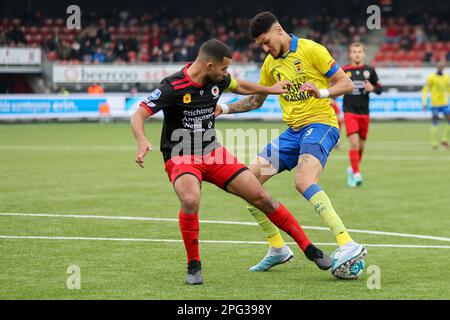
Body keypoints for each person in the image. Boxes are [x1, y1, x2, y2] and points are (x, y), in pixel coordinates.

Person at [131, 39, 333, 285]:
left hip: (213, 151)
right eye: (224, 69)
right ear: (209, 66)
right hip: (181, 153)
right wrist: (142, 141)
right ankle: (194, 265)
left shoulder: (218, 80)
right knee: (191, 199)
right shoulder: (172, 86)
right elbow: (139, 113)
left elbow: (242, 87)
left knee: (262, 197)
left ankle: (309, 249)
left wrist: (270, 89)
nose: (227, 75)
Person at [215, 12, 367, 277]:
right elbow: (256, 100)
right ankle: (277, 248)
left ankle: (346, 242)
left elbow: (345, 83)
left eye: (266, 42)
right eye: (260, 45)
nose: (265, 48)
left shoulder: (311, 50)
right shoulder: (270, 64)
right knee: (247, 184)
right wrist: (224, 108)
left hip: (321, 124)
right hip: (293, 132)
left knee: (303, 181)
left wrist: (320, 92)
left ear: (278, 30)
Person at [342, 42, 382, 187]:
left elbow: (379, 89)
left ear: (363, 54)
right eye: (354, 51)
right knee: (353, 143)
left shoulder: (370, 70)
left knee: (361, 146)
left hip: (364, 113)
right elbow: (334, 86)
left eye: (359, 51)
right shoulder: (344, 70)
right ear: (350, 54)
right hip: (349, 111)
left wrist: (372, 88)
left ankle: (352, 169)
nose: (357, 54)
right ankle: (357, 174)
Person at [422, 61, 449, 150]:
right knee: (435, 122)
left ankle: (444, 139)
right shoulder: (431, 77)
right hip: (435, 104)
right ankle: (434, 143)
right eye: (439, 66)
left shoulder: (446, 77)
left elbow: (449, 89)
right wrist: (424, 102)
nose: (441, 67)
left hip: (444, 103)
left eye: (442, 66)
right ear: (437, 67)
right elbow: (425, 90)